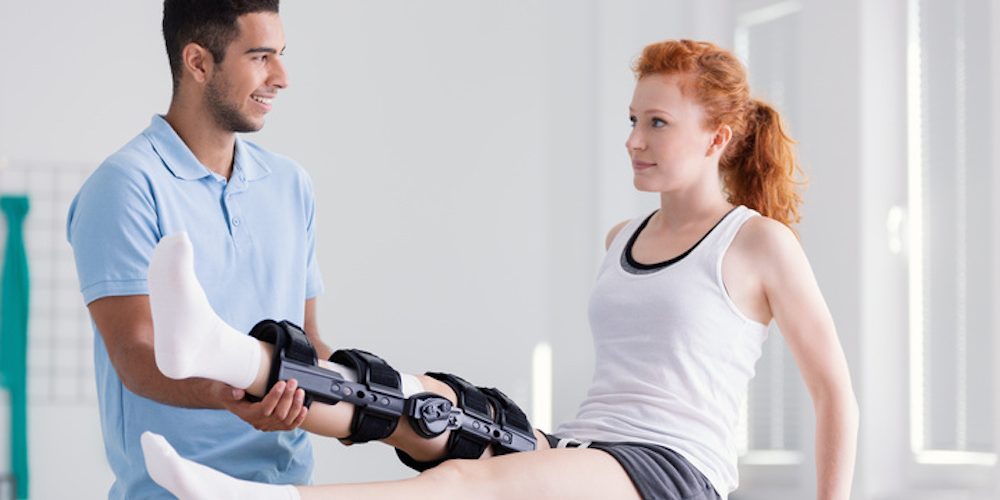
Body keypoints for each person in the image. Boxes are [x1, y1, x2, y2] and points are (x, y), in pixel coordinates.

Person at [137, 39, 859, 500]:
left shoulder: (757, 244)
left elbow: (834, 394)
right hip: (583, 449)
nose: (634, 140)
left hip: (673, 472)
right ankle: (220, 349)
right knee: (422, 403)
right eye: (632, 120)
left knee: (469, 482)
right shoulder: (622, 237)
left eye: (658, 124)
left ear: (718, 138)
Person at [66, 1, 331, 497]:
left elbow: (310, 342)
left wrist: (373, 395)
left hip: (289, 486)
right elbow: (135, 356)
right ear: (198, 62)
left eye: (281, 55)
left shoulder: (290, 184)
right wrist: (231, 395)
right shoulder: (125, 186)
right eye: (260, 57)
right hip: (172, 489)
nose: (281, 78)